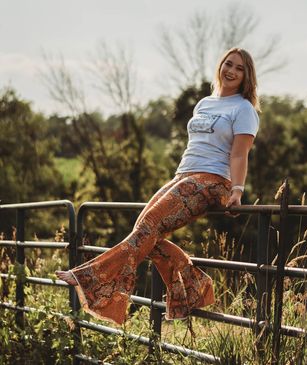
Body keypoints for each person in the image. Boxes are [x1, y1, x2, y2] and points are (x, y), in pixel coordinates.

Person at [56, 47, 260, 325]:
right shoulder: (204, 104)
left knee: (150, 223)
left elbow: (239, 154)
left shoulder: (244, 108)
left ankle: (88, 276)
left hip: (213, 180)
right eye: (228, 64)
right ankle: (195, 286)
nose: (232, 71)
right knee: (144, 229)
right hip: (184, 174)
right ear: (221, 65)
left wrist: (237, 190)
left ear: (247, 76)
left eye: (239, 68)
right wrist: (180, 178)